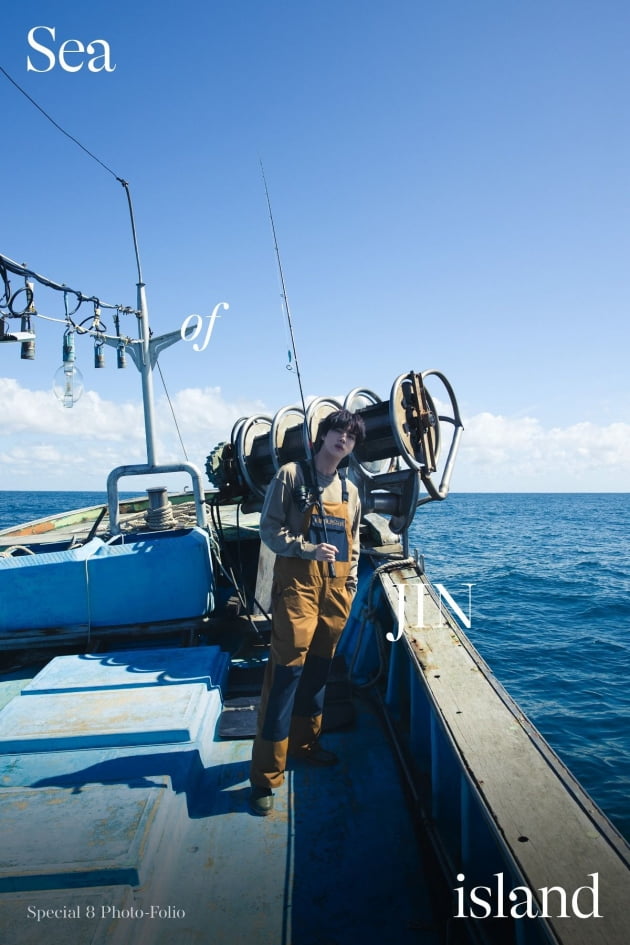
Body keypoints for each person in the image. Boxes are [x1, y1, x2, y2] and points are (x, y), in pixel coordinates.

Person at [249, 407, 366, 815]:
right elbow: (269, 529)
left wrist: (349, 587)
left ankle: (305, 745)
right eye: (338, 431)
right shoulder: (291, 476)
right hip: (298, 589)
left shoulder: (351, 491)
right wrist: (307, 549)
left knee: (317, 676)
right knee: (284, 678)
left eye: (351, 436)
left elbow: (351, 543)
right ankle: (266, 777)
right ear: (321, 437)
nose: (343, 440)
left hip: (335, 593)